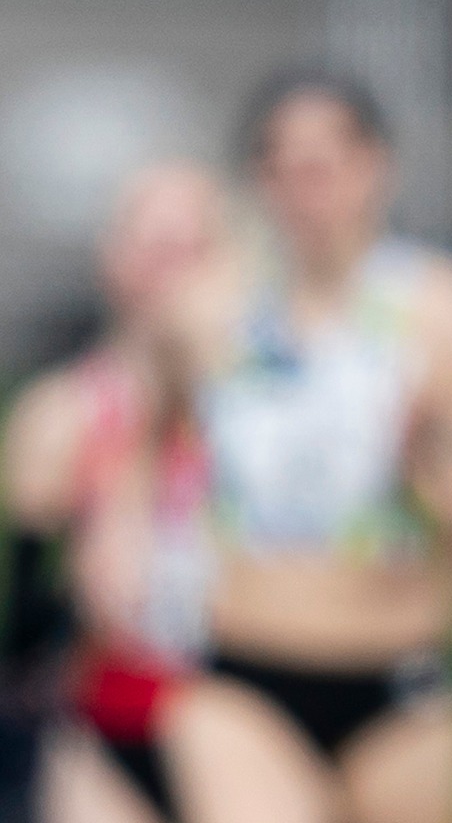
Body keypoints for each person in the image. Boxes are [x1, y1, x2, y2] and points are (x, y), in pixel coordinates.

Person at [149, 68, 452, 823]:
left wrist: (427, 465)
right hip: (245, 672)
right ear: (256, 178)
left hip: (405, 683)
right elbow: (140, 440)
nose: (309, 191)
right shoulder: (202, 314)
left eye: (328, 165)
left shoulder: (445, 312)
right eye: (286, 168)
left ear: (377, 167)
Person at [2, 163, 225, 823]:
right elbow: (28, 624)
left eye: (191, 249)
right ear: (112, 258)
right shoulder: (61, 414)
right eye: (153, 247)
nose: (171, 271)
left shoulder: (265, 408)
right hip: (108, 716)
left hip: (239, 706)